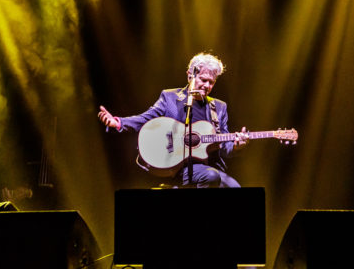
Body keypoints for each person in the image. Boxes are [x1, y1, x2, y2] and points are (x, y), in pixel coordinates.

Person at [97, 52, 248, 187]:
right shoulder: (169, 97)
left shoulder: (219, 108)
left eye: (212, 82)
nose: (207, 85)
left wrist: (236, 146)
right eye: (203, 79)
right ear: (190, 75)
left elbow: (224, 147)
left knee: (235, 188)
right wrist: (119, 122)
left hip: (207, 165)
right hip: (175, 164)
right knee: (211, 176)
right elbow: (146, 118)